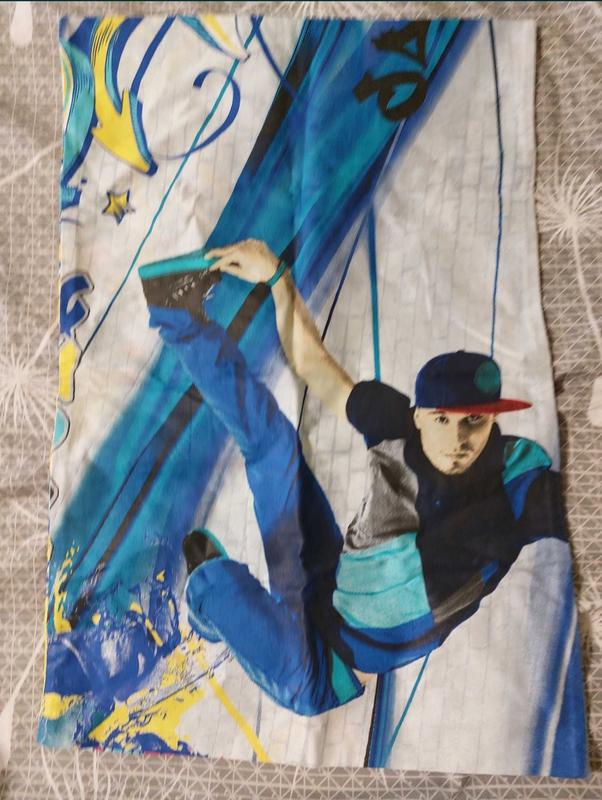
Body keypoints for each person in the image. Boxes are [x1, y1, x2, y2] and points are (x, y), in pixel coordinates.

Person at [138, 239, 568, 716]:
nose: (458, 439)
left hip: (321, 671)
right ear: (419, 415)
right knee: (274, 445)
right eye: (443, 419)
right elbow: (313, 363)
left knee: (216, 588)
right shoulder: (393, 426)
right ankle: (174, 311)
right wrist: (276, 277)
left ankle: (206, 596)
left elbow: (575, 511)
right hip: (324, 576)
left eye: (475, 421)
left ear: (493, 420)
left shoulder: (517, 485)